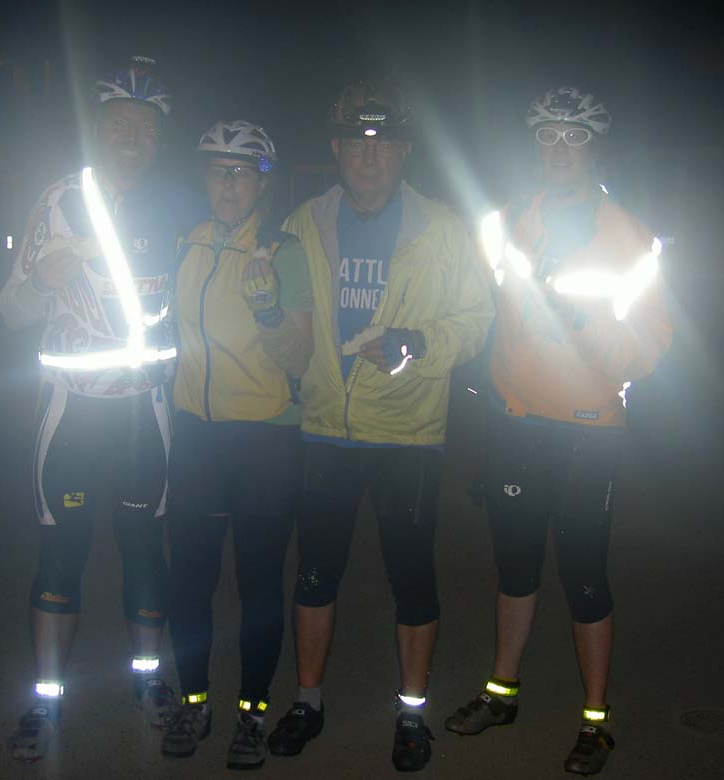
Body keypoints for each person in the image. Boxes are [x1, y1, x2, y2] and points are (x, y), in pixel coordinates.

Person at [266, 79, 494, 772]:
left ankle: (411, 712)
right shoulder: (302, 222)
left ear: (404, 151)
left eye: (383, 144)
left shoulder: (443, 227)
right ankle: (307, 701)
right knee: (313, 575)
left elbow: (476, 320)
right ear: (336, 149)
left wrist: (418, 342)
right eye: (356, 144)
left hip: (407, 431)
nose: (369, 158)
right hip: (325, 426)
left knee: (413, 578)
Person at [443, 86, 673, 775]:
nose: (559, 150)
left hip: (588, 431)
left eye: (574, 137)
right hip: (516, 422)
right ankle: (501, 692)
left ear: (595, 149)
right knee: (514, 568)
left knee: (583, 576)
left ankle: (595, 721)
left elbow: (645, 352)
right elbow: (477, 306)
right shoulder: (507, 222)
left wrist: (575, 318)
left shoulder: (630, 238)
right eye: (547, 136)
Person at [0, 56, 203, 763]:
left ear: (159, 137)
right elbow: (9, 310)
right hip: (72, 416)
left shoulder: (176, 204)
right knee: (61, 557)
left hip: (146, 415)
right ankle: (46, 699)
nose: (132, 139)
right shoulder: (59, 201)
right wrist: (40, 283)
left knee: (146, 552)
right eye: (119, 124)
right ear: (96, 128)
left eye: (145, 127)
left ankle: (148, 685)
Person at [160, 120, 314, 770]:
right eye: (218, 170)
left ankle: (251, 711)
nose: (229, 183)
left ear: (262, 183)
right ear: (204, 178)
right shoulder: (183, 245)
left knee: (257, 581)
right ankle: (194, 700)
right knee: (190, 577)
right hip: (195, 432)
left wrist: (270, 310)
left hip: (262, 438)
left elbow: (300, 357)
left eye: (242, 171)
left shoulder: (282, 251)